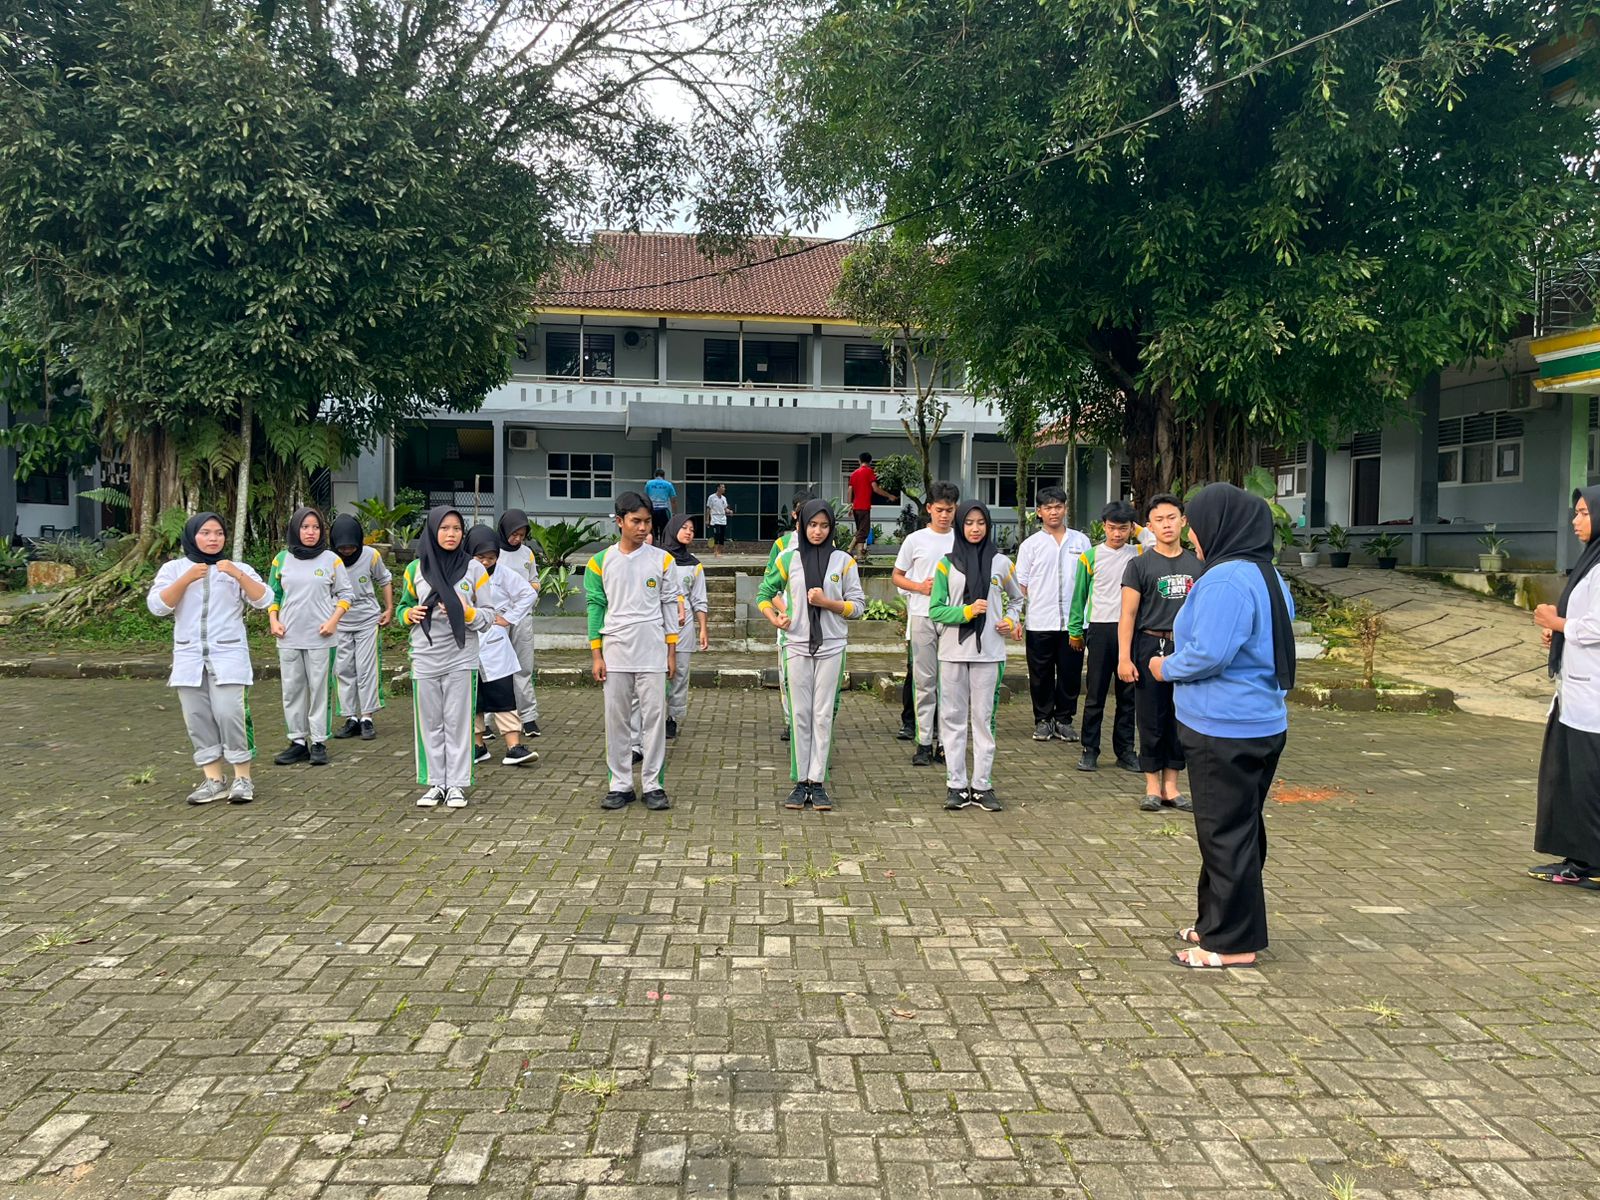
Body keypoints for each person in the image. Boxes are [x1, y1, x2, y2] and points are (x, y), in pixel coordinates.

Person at [1149, 483, 1295, 970]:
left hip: (1223, 726)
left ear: (1222, 526)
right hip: (1260, 720)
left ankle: (1231, 943)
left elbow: (1209, 655)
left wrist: (1163, 668)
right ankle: (1218, 920)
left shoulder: (1224, 580)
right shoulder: (1268, 574)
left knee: (1224, 834)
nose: (1191, 535)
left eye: (1196, 524)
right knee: (1238, 829)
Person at [147, 513, 274, 805]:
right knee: (197, 718)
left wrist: (237, 575)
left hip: (228, 655)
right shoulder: (174, 568)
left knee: (230, 714)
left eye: (218, 533)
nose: (213, 538)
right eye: (206, 533)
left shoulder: (236, 568)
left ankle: (243, 778)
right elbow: (158, 606)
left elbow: (264, 599)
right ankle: (214, 780)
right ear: (193, 536)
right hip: (189, 657)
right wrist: (187, 578)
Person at [757, 499, 866, 812]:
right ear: (802, 525)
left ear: (832, 527)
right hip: (797, 644)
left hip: (832, 645)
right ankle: (799, 780)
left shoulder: (844, 562)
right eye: (812, 525)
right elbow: (764, 593)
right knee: (800, 714)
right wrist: (775, 616)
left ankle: (818, 782)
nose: (817, 531)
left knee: (822, 714)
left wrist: (827, 602)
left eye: (824, 525)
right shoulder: (788, 559)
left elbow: (857, 607)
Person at [587, 491, 681, 812]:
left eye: (647, 521)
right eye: (635, 521)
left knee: (654, 718)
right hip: (615, 648)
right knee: (617, 719)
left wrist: (671, 650)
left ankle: (653, 784)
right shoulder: (599, 562)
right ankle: (621, 784)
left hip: (653, 648)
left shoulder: (662, 559)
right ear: (619, 522)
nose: (642, 528)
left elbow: (670, 607)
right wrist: (596, 654)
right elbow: (595, 609)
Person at [929, 502, 1024, 812]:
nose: (974, 528)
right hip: (953, 653)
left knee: (984, 721)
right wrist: (966, 612)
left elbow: (1017, 599)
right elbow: (935, 610)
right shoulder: (946, 565)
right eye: (968, 522)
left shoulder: (1000, 563)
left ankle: (982, 785)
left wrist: (1010, 620)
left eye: (981, 522)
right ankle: (956, 785)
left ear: (988, 526)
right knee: (953, 720)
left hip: (990, 652)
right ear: (960, 526)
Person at [1529, 487, 1600, 889]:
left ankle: (1592, 863)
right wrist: (1559, 634)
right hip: (1576, 692)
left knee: (1588, 782)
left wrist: (1558, 624)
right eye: (1575, 512)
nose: (1575, 521)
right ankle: (1578, 860)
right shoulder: (1590, 562)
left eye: (1584, 513)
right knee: (1570, 779)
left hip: (1593, 700)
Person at [401, 506, 495, 809]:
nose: (451, 534)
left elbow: (489, 615)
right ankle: (434, 783)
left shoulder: (474, 569)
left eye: (456, 528)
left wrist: (466, 612)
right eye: (444, 528)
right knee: (430, 722)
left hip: (461, 656)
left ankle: (456, 784)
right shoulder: (415, 569)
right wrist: (408, 614)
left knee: (458, 722)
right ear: (432, 531)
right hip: (425, 655)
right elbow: (404, 605)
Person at [1120, 493, 1203, 811]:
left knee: (1180, 716)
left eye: (1172, 518)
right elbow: (1127, 614)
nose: (1166, 525)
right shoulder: (1139, 564)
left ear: (1183, 521)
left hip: (1186, 647)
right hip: (1149, 645)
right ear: (1149, 526)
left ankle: (1172, 786)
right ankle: (1152, 787)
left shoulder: (1198, 565)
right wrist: (1124, 657)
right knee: (1151, 716)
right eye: (1159, 519)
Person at [267, 507, 354, 766]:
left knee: (319, 690)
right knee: (292, 690)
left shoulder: (331, 560)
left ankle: (318, 742)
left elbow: (346, 594)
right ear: (295, 529)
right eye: (305, 527)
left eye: (315, 527)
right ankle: (297, 741)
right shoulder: (281, 559)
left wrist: (333, 621)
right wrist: (273, 620)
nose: (310, 532)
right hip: (289, 636)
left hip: (322, 637)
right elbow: (274, 594)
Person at [1070, 501, 1143, 774]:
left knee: (1129, 695)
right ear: (1103, 526)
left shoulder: (1139, 552)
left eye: (1123, 528)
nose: (1116, 534)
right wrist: (1075, 631)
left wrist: (1140, 531)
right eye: (1112, 528)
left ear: (1131, 529)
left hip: (1132, 630)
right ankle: (1090, 750)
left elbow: (1156, 540)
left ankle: (1125, 751)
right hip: (1100, 629)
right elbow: (1078, 597)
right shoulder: (1089, 556)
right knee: (1095, 694)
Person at [1015, 486, 1092, 742]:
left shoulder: (1081, 542)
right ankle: (1043, 720)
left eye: (1058, 506)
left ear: (1065, 509)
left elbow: (1089, 581)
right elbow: (1021, 585)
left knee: (1070, 674)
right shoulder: (1030, 546)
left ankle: (1064, 720)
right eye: (1048, 507)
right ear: (1039, 512)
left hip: (1073, 624)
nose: (1054, 512)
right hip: (1040, 621)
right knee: (1041, 674)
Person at [893, 481, 959, 765]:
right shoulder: (915, 540)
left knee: (950, 683)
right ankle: (923, 741)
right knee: (924, 682)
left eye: (950, 510)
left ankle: (946, 742)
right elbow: (897, 576)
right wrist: (920, 587)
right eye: (940, 510)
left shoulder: (962, 539)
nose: (945, 515)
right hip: (922, 615)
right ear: (929, 508)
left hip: (954, 618)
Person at [465, 526, 539, 769]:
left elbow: (528, 594)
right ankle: (478, 746)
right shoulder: (461, 573)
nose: (486, 562)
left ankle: (513, 747)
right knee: (473, 697)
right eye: (481, 557)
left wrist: (508, 617)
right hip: (468, 641)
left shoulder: (505, 574)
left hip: (495, 642)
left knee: (503, 694)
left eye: (491, 557)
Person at [330, 514, 394, 742]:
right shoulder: (328, 559)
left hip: (368, 620)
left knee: (366, 668)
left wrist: (389, 608)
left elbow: (384, 580)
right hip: (339, 622)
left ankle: (367, 717)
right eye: (342, 548)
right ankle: (350, 717)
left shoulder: (371, 555)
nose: (347, 551)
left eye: (351, 547)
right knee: (344, 669)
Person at [766, 488, 816, 743]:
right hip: (789, 624)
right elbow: (769, 587)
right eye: (806, 518)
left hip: (820, 626)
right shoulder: (782, 546)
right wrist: (787, 610)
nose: (815, 527)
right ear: (796, 515)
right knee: (788, 678)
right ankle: (791, 722)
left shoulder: (827, 543)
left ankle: (815, 726)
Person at [493, 509, 542, 738]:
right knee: (493, 668)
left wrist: (531, 588)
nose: (517, 539)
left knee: (523, 667)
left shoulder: (527, 554)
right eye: (514, 534)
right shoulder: (492, 551)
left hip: (522, 616)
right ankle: (488, 719)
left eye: (522, 535)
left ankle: (528, 717)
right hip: (497, 617)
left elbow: (534, 580)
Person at [663, 514, 710, 739]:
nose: (689, 532)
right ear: (672, 529)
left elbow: (699, 600)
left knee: (679, 672)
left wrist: (703, 629)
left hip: (684, 626)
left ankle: (672, 717)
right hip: (658, 622)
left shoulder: (694, 565)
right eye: (684, 527)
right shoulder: (658, 558)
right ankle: (653, 715)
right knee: (656, 671)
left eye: (692, 529)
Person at [847, 452, 895, 560]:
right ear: (870, 462)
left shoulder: (854, 474)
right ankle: (851, 551)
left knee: (861, 530)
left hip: (855, 507)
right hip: (864, 507)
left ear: (859, 461)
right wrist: (889, 495)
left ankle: (859, 555)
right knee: (863, 531)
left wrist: (850, 505)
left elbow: (850, 490)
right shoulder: (869, 472)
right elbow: (875, 488)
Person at [645, 469, 677, 544]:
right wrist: (674, 513)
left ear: (654, 475)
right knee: (664, 532)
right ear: (663, 476)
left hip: (652, 510)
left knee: (652, 531)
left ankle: (653, 546)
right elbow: (673, 500)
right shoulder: (668, 484)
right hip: (663, 510)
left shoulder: (649, 483)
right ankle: (663, 547)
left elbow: (645, 498)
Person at [706, 484, 733, 557]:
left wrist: (729, 511)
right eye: (723, 487)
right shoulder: (711, 497)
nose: (724, 489)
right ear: (718, 488)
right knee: (716, 535)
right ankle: (715, 552)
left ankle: (719, 552)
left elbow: (725, 509)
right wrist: (707, 519)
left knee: (722, 536)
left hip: (723, 520)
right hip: (715, 519)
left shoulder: (724, 498)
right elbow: (708, 509)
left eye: (724, 487)